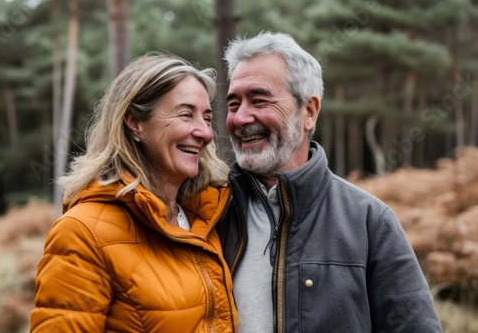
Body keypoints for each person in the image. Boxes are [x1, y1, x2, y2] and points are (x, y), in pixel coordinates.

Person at [216, 31, 442, 332]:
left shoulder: (370, 221)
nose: (241, 118)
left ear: (308, 112)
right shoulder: (210, 213)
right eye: (233, 105)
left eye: (259, 100)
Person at [30, 52, 238, 332]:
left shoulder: (208, 217)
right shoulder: (81, 232)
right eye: (186, 114)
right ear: (134, 122)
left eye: (206, 118)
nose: (204, 132)